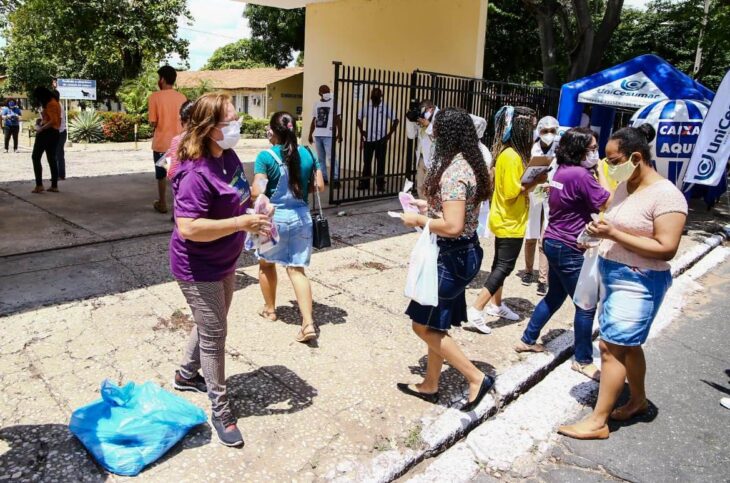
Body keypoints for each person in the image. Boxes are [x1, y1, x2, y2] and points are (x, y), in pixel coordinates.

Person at [559, 124, 688, 440]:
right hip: (612, 275)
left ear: (636, 157)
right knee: (627, 347)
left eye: (613, 160)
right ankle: (638, 400)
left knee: (610, 348)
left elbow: (667, 248)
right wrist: (593, 236)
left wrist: (614, 234)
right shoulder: (624, 187)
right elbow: (609, 220)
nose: (608, 167)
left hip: (639, 280)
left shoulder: (667, 196)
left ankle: (598, 421)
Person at [170, 93, 271, 447]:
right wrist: (241, 222)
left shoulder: (227, 156)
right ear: (211, 129)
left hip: (225, 259)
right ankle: (221, 409)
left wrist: (257, 202)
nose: (237, 125)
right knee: (215, 334)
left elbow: (240, 195)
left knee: (212, 321)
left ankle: (185, 374)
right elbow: (188, 227)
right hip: (197, 266)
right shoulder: (195, 171)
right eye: (230, 120)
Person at [397, 107, 494, 412]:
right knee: (437, 324)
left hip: (451, 257)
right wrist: (427, 206)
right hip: (465, 252)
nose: (431, 133)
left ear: (447, 133)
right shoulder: (469, 164)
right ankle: (430, 384)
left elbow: (452, 226)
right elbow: (459, 212)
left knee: (422, 325)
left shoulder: (454, 172)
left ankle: (476, 377)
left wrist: (417, 219)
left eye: (435, 129)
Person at [515, 128, 610, 381]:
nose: (595, 152)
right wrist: (601, 172)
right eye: (591, 148)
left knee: (555, 295)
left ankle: (528, 338)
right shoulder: (582, 175)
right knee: (585, 304)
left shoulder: (562, 171)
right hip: (569, 247)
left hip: (553, 241)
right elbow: (606, 202)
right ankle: (582, 360)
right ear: (579, 149)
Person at [253, 111, 325, 343]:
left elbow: (257, 190)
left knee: (266, 265)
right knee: (296, 270)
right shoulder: (307, 153)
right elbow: (319, 186)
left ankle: (270, 310)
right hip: (301, 218)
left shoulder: (265, 157)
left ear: (272, 131)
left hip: (273, 220)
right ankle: (307, 323)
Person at [467, 106, 541, 331]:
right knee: (504, 267)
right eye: (533, 126)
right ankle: (477, 309)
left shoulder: (512, 154)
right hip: (509, 220)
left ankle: (496, 305)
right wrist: (537, 180)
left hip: (508, 218)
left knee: (499, 264)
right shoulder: (511, 156)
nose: (535, 132)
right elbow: (511, 191)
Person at [522, 115, 558, 295]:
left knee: (545, 236)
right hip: (535, 191)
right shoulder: (532, 148)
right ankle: (528, 271)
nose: (549, 135)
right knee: (531, 233)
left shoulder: (560, 150)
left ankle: (543, 279)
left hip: (551, 194)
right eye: (545, 131)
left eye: (552, 131)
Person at [149, 65, 187, 214]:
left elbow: (153, 121)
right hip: (179, 143)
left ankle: (163, 203)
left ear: (163, 79)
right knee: (178, 174)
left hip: (162, 144)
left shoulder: (155, 97)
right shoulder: (182, 97)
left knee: (162, 175)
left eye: (159, 78)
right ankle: (178, 206)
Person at [356, 87, 399, 192]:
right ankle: (365, 183)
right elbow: (358, 119)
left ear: (381, 96)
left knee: (381, 163)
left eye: (377, 95)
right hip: (369, 139)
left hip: (381, 140)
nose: (375, 97)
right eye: (373, 95)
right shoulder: (367, 106)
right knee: (367, 162)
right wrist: (362, 131)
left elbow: (396, 120)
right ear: (371, 96)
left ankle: (380, 184)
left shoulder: (385, 107)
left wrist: (388, 135)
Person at [308, 84, 342, 185]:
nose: (325, 92)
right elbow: (314, 119)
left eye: (327, 90)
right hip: (318, 135)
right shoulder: (316, 104)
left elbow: (338, 119)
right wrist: (310, 134)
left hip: (329, 135)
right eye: (323, 90)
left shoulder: (335, 103)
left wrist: (339, 133)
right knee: (320, 159)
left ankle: (336, 179)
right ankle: (324, 178)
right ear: (320, 93)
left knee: (331, 158)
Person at [31, 87, 61, 194]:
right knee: (51, 158)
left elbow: (54, 121)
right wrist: (41, 120)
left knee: (35, 157)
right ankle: (54, 186)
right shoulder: (55, 102)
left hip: (47, 133)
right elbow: (50, 118)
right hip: (54, 134)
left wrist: (41, 128)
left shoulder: (51, 103)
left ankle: (39, 185)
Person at [406, 100, 439, 198]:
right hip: (421, 158)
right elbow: (411, 135)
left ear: (430, 109)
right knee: (420, 186)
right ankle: (422, 210)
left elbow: (439, 136)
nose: (421, 115)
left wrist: (428, 125)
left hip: (433, 160)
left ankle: (427, 211)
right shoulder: (423, 117)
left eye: (423, 112)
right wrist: (409, 119)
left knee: (428, 188)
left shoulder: (440, 117)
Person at [166, 100, 194, 181]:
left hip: (184, 189)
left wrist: (167, 163)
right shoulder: (207, 138)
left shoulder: (178, 140)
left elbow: (172, 173)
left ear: (181, 118)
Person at [52, 90, 68, 180]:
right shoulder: (56, 105)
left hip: (60, 132)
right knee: (56, 154)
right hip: (58, 132)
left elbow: (58, 120)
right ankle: (58, 174)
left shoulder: (58, 105)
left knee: (59, 154)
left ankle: (60, 175)